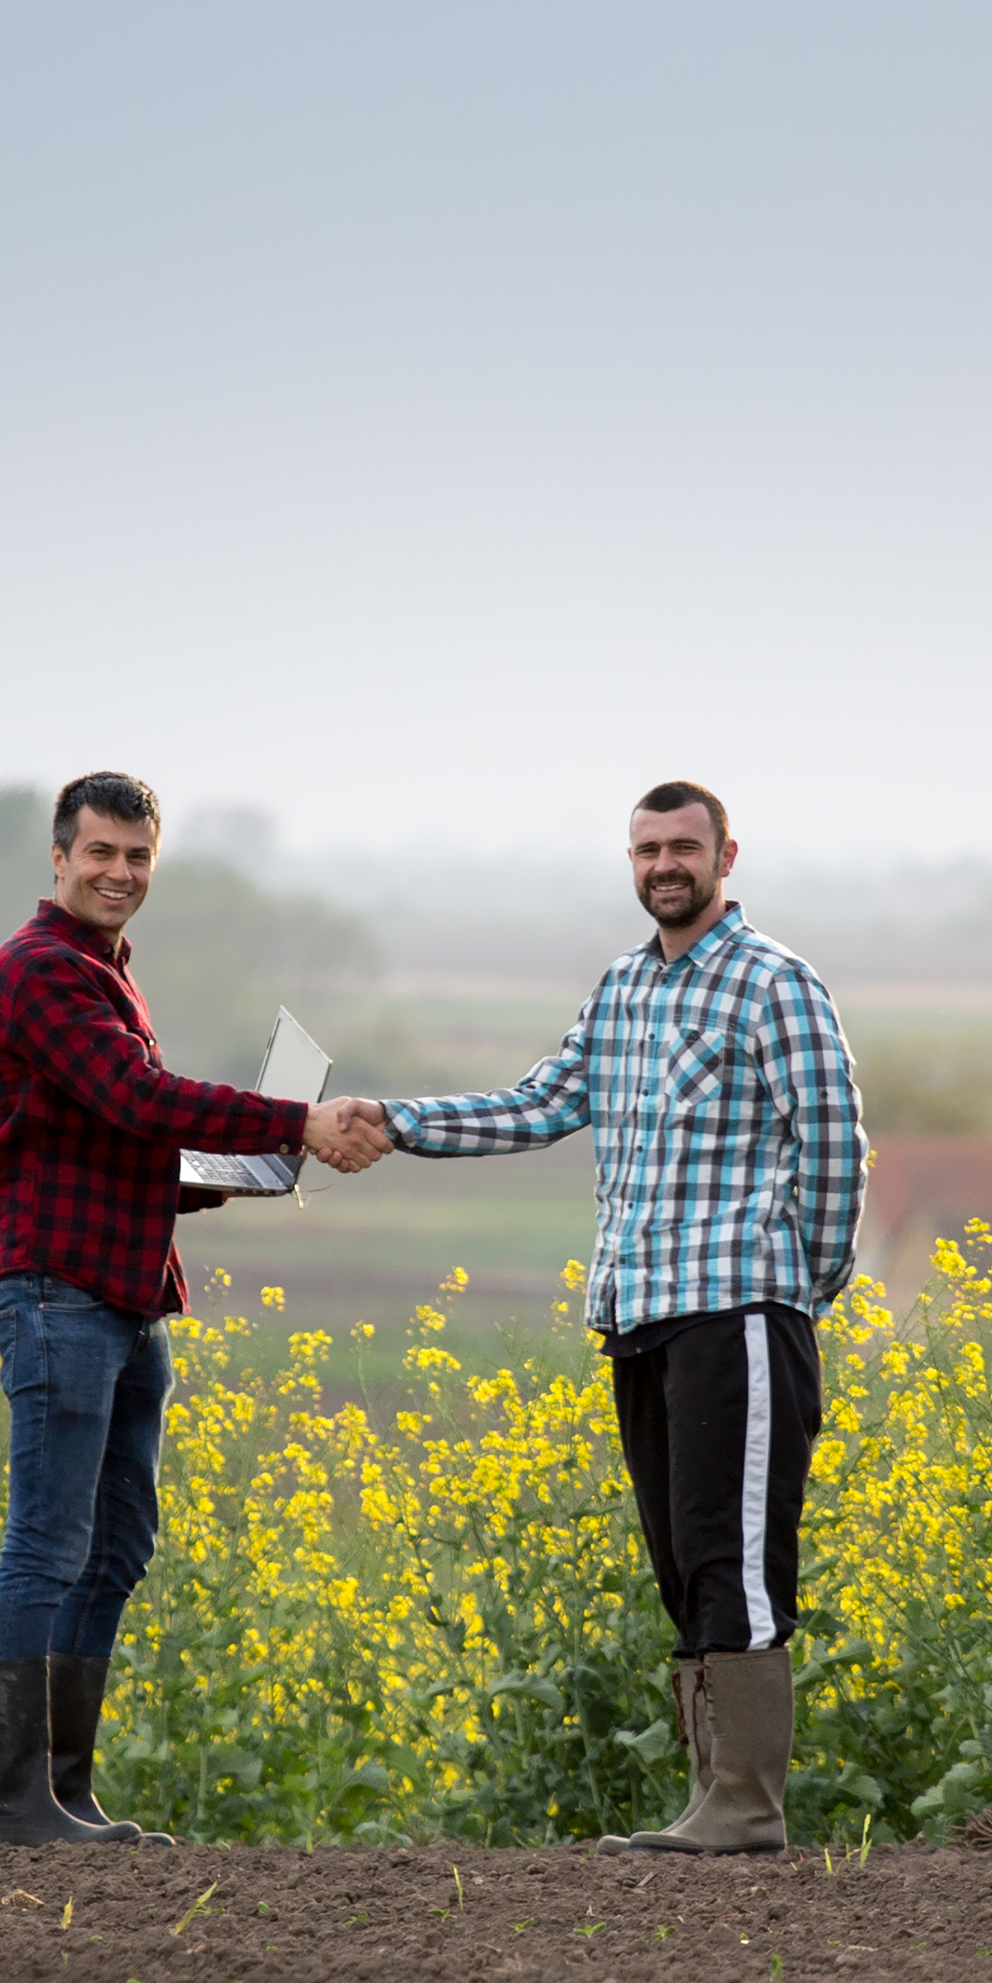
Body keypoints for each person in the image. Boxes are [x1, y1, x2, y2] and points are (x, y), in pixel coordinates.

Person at [343, 781, 862, 1856]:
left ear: (726, 855)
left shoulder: (776, 984)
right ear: (629, 861)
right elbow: (538, 1104)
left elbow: (836, 1149)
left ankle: (749, 1806)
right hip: (640, 1315)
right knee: (680, 1560)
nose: (664, 863)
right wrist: (395, 1121)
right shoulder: (624, 987)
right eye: (645, 848)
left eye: (683, 846)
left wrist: (794, 1289)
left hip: (741, 1310)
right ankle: (708, 1802)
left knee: (737, 1555)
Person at [0, 773, 376, 1849]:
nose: (120, 874)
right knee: (46, 1542)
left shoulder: (104, 973)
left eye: (138, 857)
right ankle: (11, 1805)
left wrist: (245, 1167)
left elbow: (113, 1139)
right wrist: (296, 1119)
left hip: (126, 1288)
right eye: (100, 853)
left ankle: (63, 1788)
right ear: (58, 858)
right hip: (58, 1288)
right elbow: (141, 1100)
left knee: (117, 1541)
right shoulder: (40, 972)